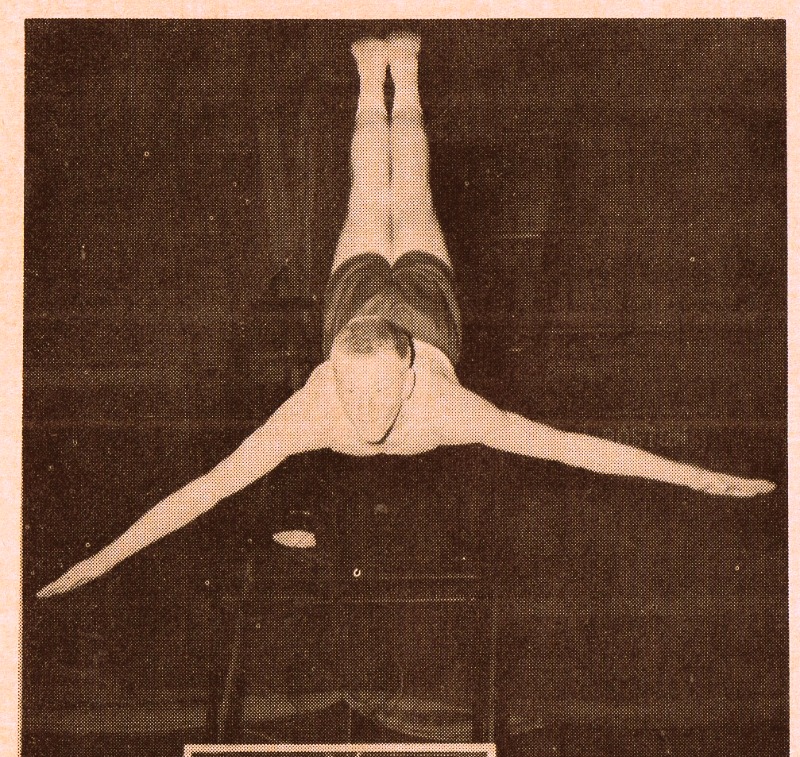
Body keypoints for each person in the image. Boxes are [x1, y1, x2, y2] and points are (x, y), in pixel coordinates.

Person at [36, 32, 773, 601]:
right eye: (353, 392)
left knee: (404, 189)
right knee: (372, 191)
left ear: (410, 373)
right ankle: (373, 79)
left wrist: (700, 479)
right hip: (361, 304)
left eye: (380, 391)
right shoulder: (310, 412)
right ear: (329, 375)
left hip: (420, 303)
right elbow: (202, 491)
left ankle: (403, 76)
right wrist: (96, 563)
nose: (366, 410)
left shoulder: (449, 410)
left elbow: (575, 448)